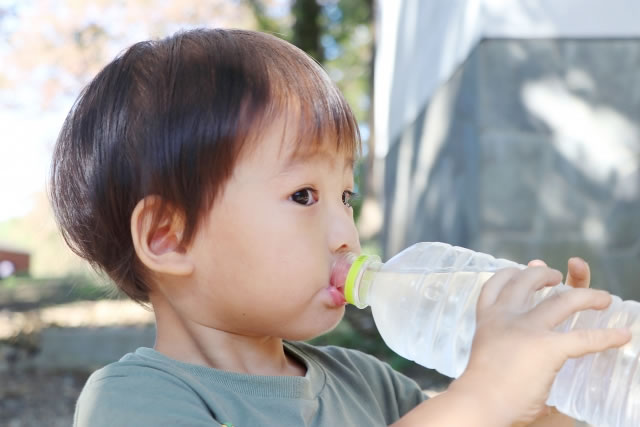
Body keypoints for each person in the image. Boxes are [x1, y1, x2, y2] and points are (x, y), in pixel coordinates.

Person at [49, 28, 630, 427]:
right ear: (168, 237)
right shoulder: (134, 402)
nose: (346, 234)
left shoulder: (368, 383)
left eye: (346, 197)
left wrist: (555, 395)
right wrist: (484, 394)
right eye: (303, 194)